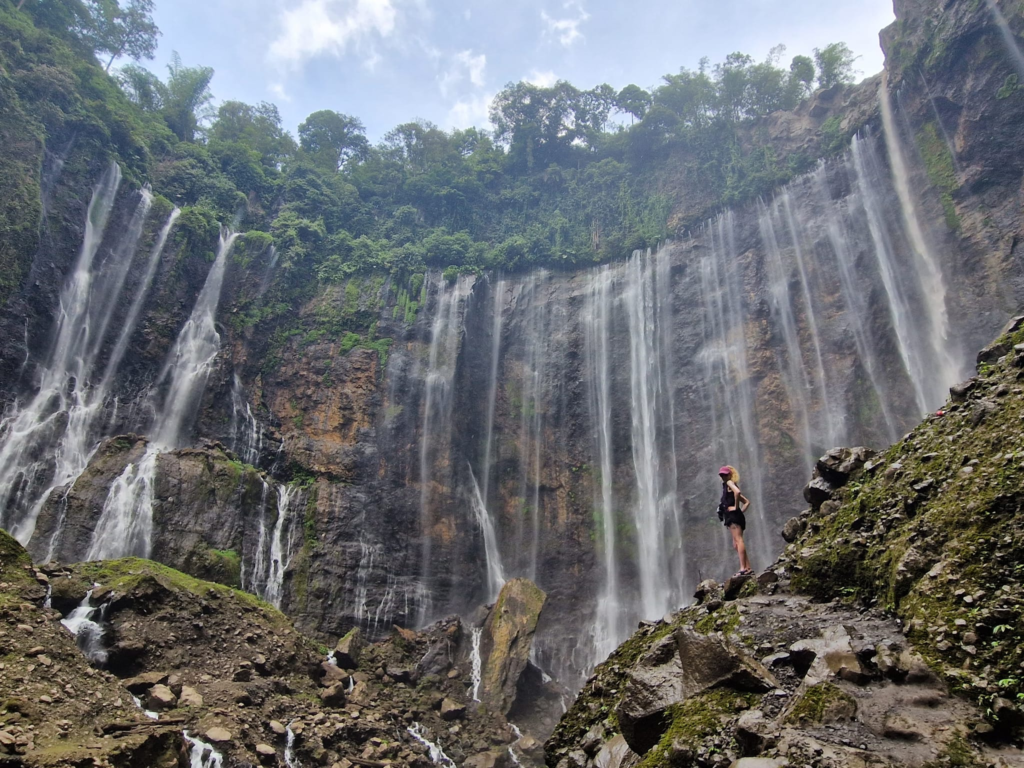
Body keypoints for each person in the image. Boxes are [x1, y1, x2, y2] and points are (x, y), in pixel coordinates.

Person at [717, 465, 752, 577]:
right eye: (721, 475)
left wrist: (736, 508)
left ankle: (743, 568)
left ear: (729, 475)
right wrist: (740, 510)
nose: (723, 476)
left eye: (725, 474)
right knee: (736, 543)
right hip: (734, 516)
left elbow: (737, 492)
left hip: (733, 516)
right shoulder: (729, 486)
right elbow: (747, 502)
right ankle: (748, 567)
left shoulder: (729, 483)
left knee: (738, 541)